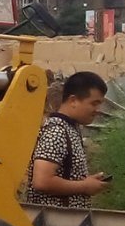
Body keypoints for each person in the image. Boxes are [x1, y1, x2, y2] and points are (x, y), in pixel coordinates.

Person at [25, 71, 109, 208]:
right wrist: (84, 186)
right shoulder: (56, 130)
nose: (98, 110)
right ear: (73, 101)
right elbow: (42, 181)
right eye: (94, 103)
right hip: (53, 222)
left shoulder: (70, 128)